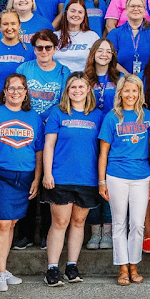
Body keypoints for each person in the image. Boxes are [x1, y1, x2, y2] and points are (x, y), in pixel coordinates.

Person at [41, 73, 105, 286]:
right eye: (73, 87)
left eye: (81, 87)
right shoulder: (58, 114)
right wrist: (47, 173)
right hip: (61, 176)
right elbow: (48, 145)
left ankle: (71, 265)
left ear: (88, 90)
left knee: (78, 223)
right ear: (67, 91)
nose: (77, 91)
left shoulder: (97, 116)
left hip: (87, 178)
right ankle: (52, 268)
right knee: (60, 222)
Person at [0, 74, 44, 292]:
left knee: (12, 223)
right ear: (5, 91)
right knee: (0, 224)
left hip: (24, 177)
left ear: (26, 92)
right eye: (11, 88)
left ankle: (2, 268)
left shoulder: (34, 117)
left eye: (20, 88)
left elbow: (38, 150)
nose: (16, 92)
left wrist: (37, 178)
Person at [98, 75, 150, 285]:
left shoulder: (147, 116)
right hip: (116, 175)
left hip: (141, 175)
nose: (130, 95)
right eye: (127, 91)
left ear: (139, 93)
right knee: (119, 223)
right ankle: (123, 268)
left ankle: (134, 264)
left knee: (138, 223)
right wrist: (102, 181)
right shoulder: (112, 117)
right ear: (120, 93)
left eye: (135, 91)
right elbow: (103, 152)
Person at [18, 29, 70, 119]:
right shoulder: (23, 69)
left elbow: (64, 102)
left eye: (48, 47)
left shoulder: (64, 71)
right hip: (26, 119)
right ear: (34, 49)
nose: (44, 51)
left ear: (55, 48)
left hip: (53, 120)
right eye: (39, 48)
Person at [107, 0, 150, 76]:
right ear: (126, 9)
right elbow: (109, 59)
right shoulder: (115, 33)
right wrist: (128, 77)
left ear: (145, 10)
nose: (136, 9)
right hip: (122, 80)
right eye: (132, 6)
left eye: (139, 6)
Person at [54, 0, 100, 73]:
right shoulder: (55, 36)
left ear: (84, 15)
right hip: (58, 79)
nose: (76, 15)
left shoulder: (92, 36)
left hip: (83, 80)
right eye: (72, 11)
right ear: (66, 13)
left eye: (80, 12)